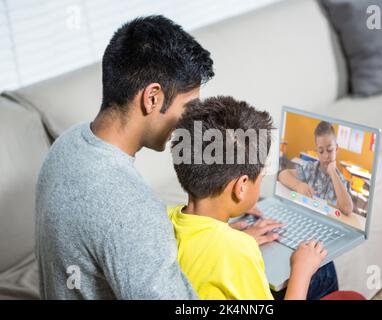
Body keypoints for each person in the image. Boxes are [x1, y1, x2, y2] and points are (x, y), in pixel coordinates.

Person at [35, 16, 272, 300]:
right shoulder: (132, 210)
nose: (193, 122)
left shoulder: (67, 145)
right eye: (189, 107)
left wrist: (223, 244)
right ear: (152, 98)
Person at [167, 96, 337, 299]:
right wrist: (301, 271)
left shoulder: (166, 218)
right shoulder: (238, 250)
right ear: (241, 187)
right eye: (262, 176)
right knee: (324, 270)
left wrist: (229, 235)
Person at [278, 121, 353, 215]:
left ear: (336, 149)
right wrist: (298, 185)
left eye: (330, 150)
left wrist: (333, 172)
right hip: (305, 214)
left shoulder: (339, 179)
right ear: (317, 151)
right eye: (321, 151)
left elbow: (347, 209)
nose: (326, 156)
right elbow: (283, 175)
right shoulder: (311, 169)